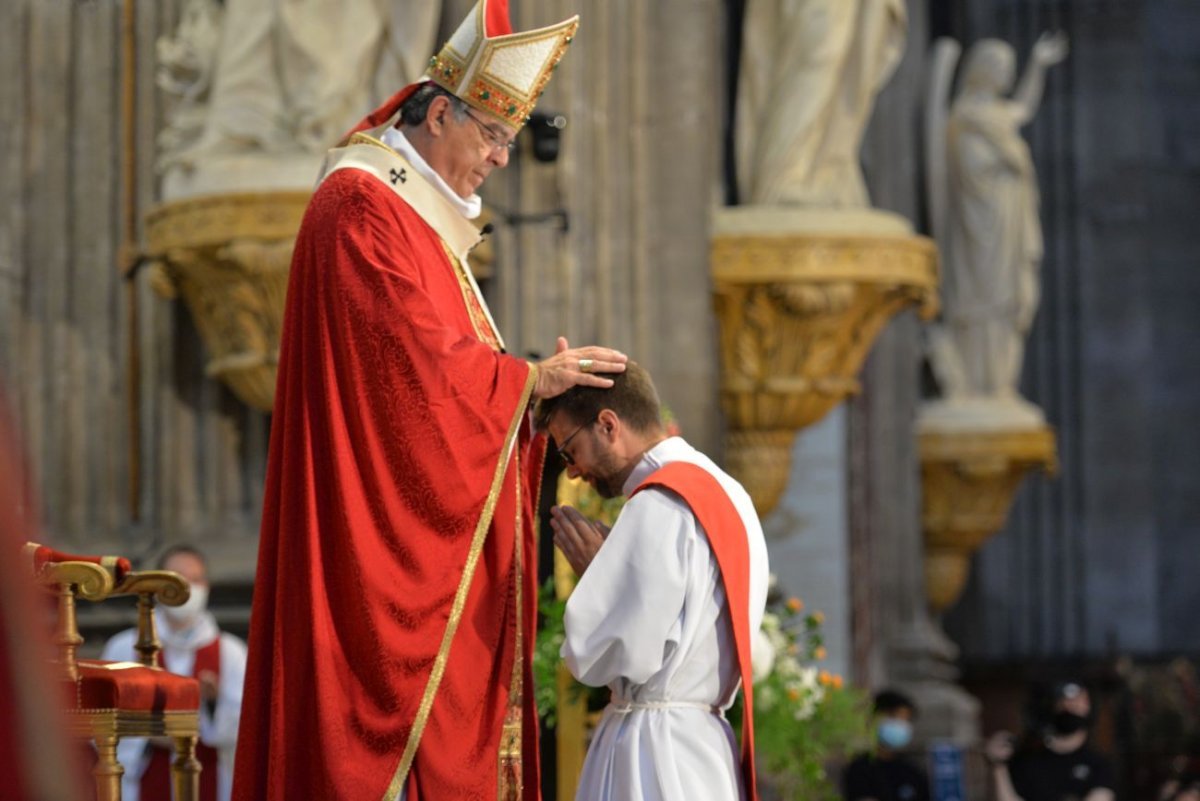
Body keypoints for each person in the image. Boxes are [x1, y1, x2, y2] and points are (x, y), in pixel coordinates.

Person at [230, 3, 625, 800]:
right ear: (438, 110)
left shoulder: (413, 221)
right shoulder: (361, 208)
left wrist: (530, 407)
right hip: (375, 561)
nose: (502, 160)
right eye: (491, 137)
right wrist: (522, 384)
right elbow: (406, 385)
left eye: (511, 142)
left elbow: (441, 373)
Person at [537, 363, 770, 801]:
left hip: (651, 754)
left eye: (569, 452)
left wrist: (599, 584)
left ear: (608, 424)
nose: (571, 472)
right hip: (703, 749)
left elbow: (613, 657)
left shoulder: (657, 505)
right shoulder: (730, 492)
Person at [927, 32, 1069, 403]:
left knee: (1011, 301)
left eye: (1009, 67)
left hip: (1009, 223)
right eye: (1000, 66)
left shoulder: (996, 116)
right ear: (982, 70)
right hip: (979, 225)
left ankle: (1000, 385)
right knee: (981, 301)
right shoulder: (967, 117)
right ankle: (976, 382)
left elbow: (1023, 107)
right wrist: (1007, 159)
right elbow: (967, 168)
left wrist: (1037, 63)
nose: (1005, 73)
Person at [100, 545, 246, 801]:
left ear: (207, 587)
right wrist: (148, 734)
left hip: (211, 779)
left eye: (195, 579)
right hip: (143, 778)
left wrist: (213, 703)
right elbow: (99, 720)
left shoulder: (230, 652)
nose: (187, 588)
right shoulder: (124, 647)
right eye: (176, 578)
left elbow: (245, 729)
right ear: (157, 587)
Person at [985, 680, 1116, 801]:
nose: (1070, 706)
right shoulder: (1025, 761)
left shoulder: (1099, 765)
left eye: (1079, 702)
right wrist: (998, 765)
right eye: (1063, 701)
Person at [842, 689, 930, 801]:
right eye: (894, 716)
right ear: (874, 718)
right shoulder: (860, 769)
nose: (899, 725)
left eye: (905, 720)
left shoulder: (913, 771)